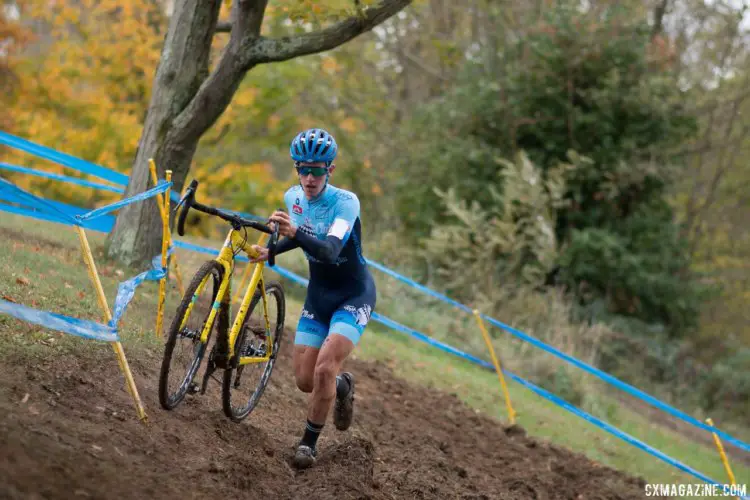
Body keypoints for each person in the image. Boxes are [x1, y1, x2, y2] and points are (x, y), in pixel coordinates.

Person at [249, 128, 376, 469]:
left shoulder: (345, 202)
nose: (309, 177)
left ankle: (308, 444)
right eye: (302, 169)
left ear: (330, 170)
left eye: (317, 169)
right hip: (318, 295)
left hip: (353, 295)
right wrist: (271, 249)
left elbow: (330, 248)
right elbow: (300, 238)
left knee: (323, 368)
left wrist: (295, 232)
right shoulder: (293, 198)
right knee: (306, 381)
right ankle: (341, 386)